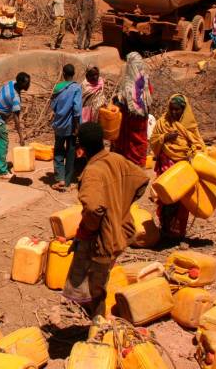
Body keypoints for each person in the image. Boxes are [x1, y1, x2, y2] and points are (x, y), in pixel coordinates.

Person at [63, 122, 149, 318]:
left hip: (103, 239)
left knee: (95, 286)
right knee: (100, 278)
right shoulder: (116, 159)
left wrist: (92, 228)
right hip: (122, 230)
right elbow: (141, 180)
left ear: (81, 148)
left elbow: (93, 208)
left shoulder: (92, 172)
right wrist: (120, 206)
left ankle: (98, 326)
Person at [149, 94, 205, 239]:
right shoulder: (162, 123)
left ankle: (180, 233)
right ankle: (165, 230)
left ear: (184, 110)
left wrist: (192, 152)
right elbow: (153, 141)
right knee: (166, 199)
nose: (174, 113)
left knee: (183, 202)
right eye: (172, 109)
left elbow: (199, 145)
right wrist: (164, 138)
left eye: (178, 110)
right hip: (166, 166)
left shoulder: (190, 127)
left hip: (183, 167)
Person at [112, 53, 153, 167]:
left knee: (129, 142)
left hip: (129, 118)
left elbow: (123, 100)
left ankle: (129, 166)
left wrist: (116, 102)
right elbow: (149, 94)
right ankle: (139, 164)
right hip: (142, 118)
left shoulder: (128, 82)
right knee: (140, 141)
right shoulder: (145, 78)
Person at [0, 72, 30, 179]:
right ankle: (1, 172)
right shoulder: (15, 98)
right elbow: (16, 120)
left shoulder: (11, 83)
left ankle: (0, 164)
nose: (28, 85)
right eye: (27, 83)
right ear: (21, 84)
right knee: (2, 142)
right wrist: (21, 137)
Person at [51, 64, 82, 191]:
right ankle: (68, 181)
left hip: (59, 125)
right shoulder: (76, 88)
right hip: (71, 126)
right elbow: (77, 109)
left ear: (63, 73)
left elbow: (53, 106)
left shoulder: (58, 87)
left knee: (58, 150)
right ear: (73, 73)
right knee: (70, 152)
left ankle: (60, 179)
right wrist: (77, 127)